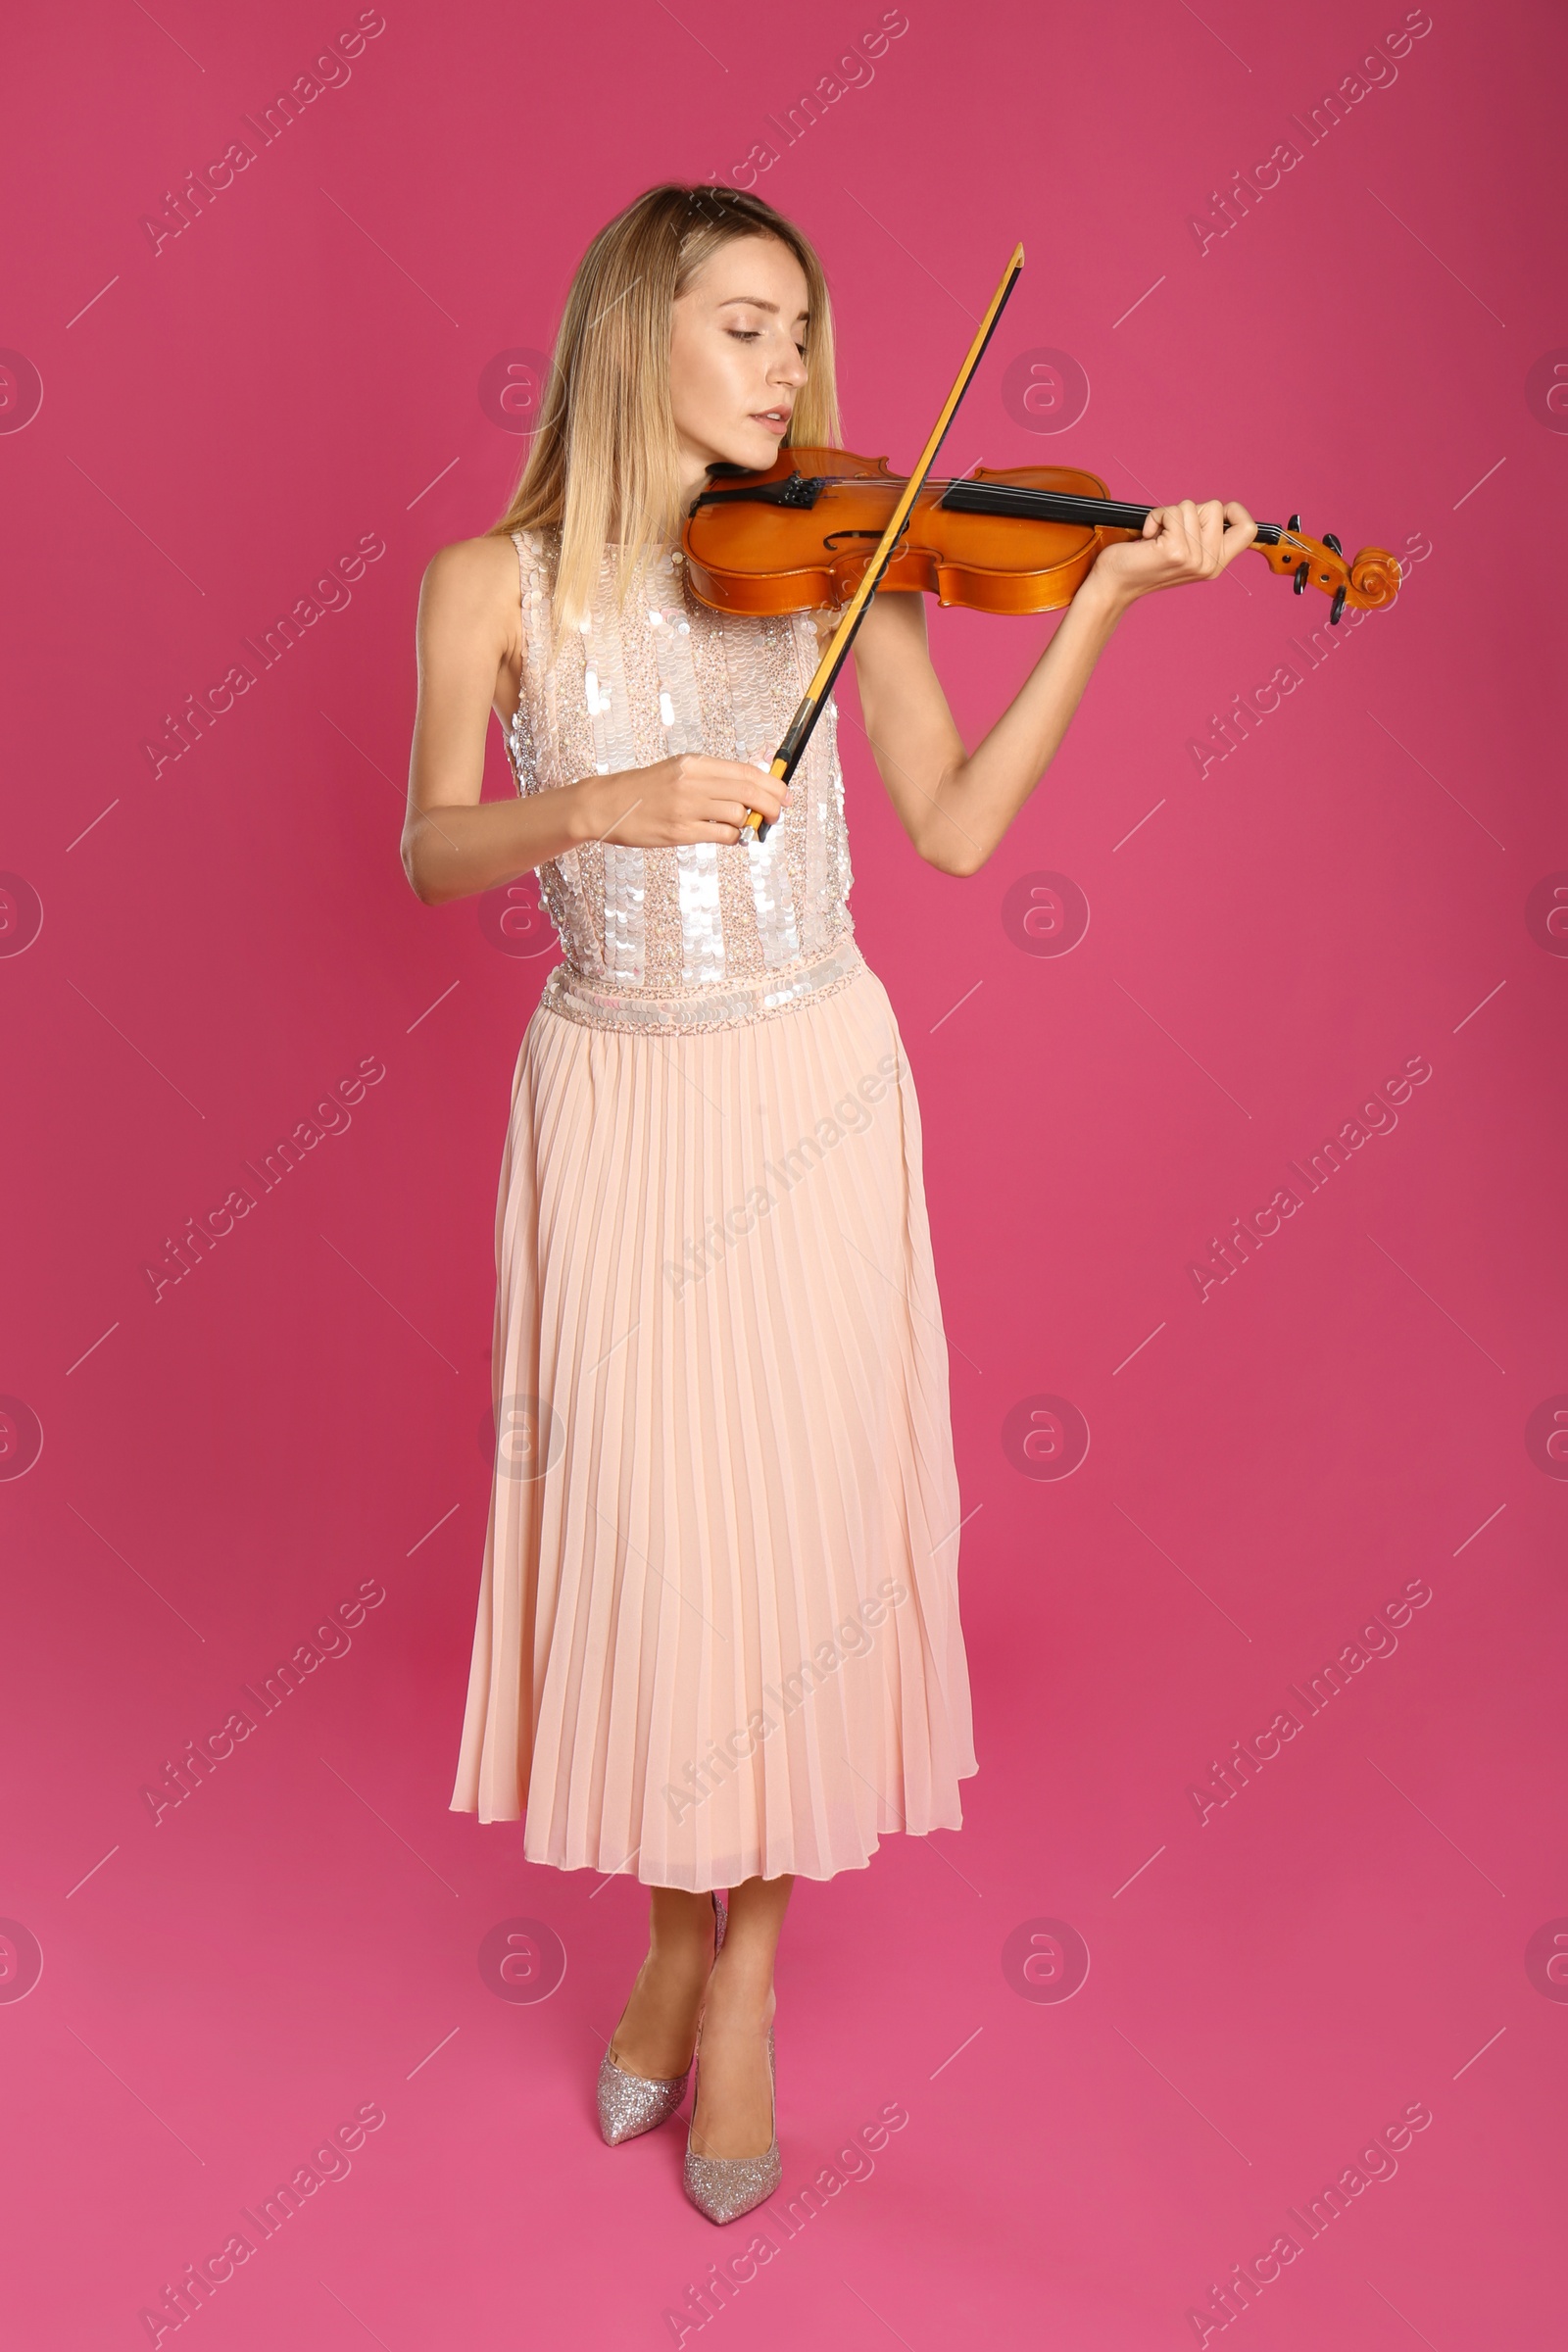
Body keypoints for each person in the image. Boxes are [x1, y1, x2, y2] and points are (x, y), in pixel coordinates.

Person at [401, 181, 1256, 2226]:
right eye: (746, 325)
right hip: (610, 1099)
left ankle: (737, 1978)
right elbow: (435, 846)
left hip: (805, 1092)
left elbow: (952, 829)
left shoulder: (847, 571)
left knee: (780, 1559)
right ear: (634, 331)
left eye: (800, 334)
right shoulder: (487, 583)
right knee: (651, 1537)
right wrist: (601, 802)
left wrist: (1108, 611)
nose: (788, 368)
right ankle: (670, 1938)